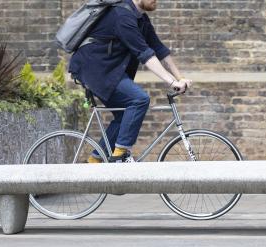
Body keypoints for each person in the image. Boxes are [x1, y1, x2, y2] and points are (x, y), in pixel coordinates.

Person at [69, 0, 191, 162]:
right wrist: (171, 82)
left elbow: (159, 49)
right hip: (95, 70)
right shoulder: (122, 16)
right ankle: (121, 155)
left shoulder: (141, 19)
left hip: (109, 71)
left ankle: (96, 160)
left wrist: (179, 77)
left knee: (124, 116)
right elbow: (144, 53)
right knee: (139, 99)